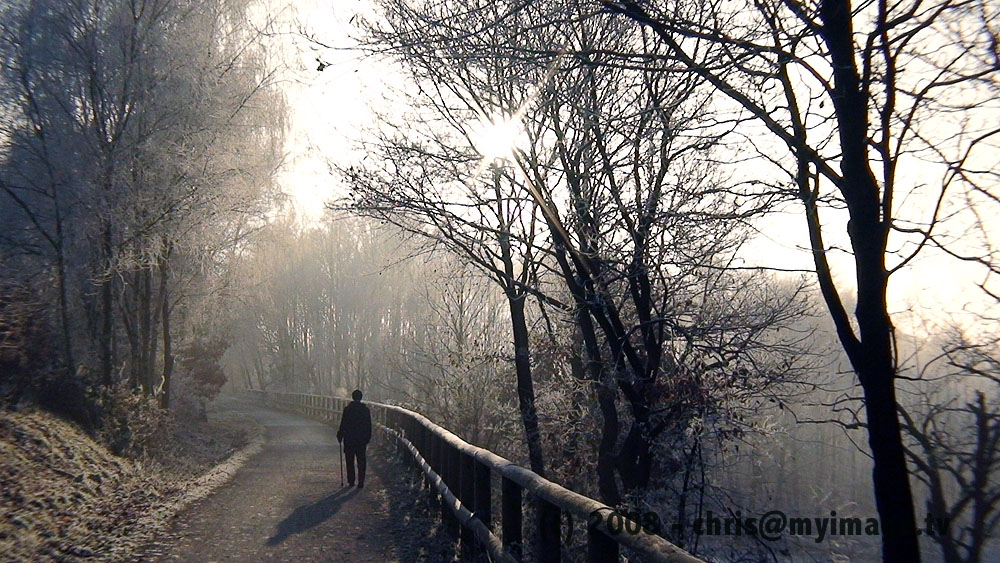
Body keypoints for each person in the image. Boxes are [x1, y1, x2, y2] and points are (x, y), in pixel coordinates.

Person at [336, 389, 372, 488]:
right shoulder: (365, 410)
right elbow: (368, 425)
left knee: (349, 460)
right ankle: (361, 481)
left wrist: (340, 434)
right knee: (361, 460)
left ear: (352, 397)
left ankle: (351, 481)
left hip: (349, 439)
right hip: (361, 439)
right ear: (361, 398)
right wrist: (367, 438)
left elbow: (343, 424)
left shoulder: (347, 409)